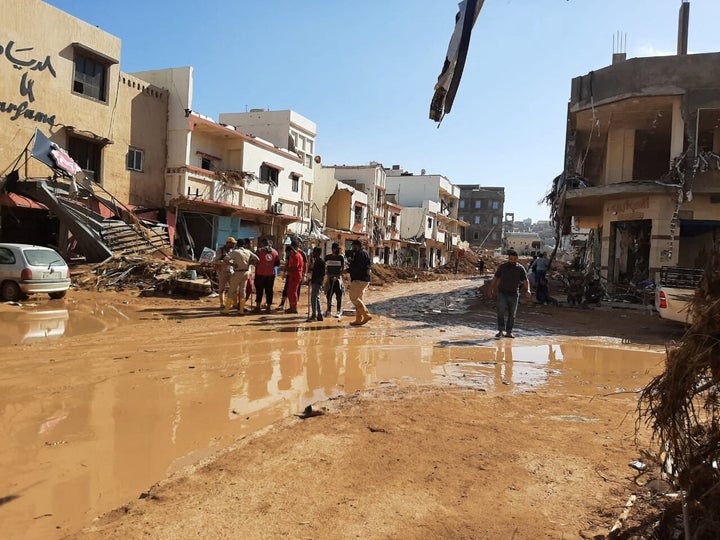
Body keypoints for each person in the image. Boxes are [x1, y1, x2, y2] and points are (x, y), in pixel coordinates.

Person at [488, 249, 532, 338]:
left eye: (514, 259)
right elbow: (496, 278)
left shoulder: (520, 268)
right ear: (508, 258)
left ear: (517, 259)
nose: (512, 261)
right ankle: (500, 330)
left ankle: (509, 332)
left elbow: (525, 280)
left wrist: (528, 290)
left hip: (514, 294)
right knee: (500, 311)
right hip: (502, 293)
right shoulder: (503, 267)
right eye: (511, 259)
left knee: (512, 314)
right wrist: (491, 288)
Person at [223, 239, 259, 315]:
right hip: (246, 272)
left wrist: (232, 264)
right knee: (243, 291)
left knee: (232, 290)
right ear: (244, 245)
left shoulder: (235, 252)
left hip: (237, 272)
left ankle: (226, 310)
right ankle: (241, 310)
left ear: (237, 244)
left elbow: (225, 259)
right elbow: (257, 259)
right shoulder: (248, 251)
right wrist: (250, 263)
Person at [345, 239, 372, 326]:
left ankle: (366, 314)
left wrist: (347, 270)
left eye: (353, 246)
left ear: (356, 246)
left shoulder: (360, 254)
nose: (352, 248)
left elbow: (358, 267)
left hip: (359, 279)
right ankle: (358, 319)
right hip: (364, 279)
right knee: (359, 299)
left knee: (353, 298)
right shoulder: (363, 253)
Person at [254, 238, 280, 312]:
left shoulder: (259, 251)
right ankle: (268, 307)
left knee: (259, 290)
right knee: (269, 290)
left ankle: (258, 306)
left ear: (262, 243)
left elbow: (254, 260)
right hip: (270, 274)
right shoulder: (275, 252)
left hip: (260, 273)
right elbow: (277, 263)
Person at [213, 236, 236, 310]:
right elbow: (216, 261)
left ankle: (234, 303)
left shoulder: (232, 251)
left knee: (233, 288)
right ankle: (222, 303)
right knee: (222, 288)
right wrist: (225, 262)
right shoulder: (220, 250)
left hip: (231, 271)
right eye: (232, 243)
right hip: (222, 272)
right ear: (228, 243)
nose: (233, 245)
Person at [324, 242, 346, 318]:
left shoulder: (341, 257)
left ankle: (338, 311)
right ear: (333, 249)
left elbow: (342, 269)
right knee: (328, 295)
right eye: (336, 249)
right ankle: (329, 310)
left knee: (339, 295)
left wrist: (337, 276)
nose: (337, 250)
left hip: (338, 279)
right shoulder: (327, 257)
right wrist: (328, 275)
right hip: (330, 279)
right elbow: (325, 268)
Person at [284, 243, 304, 314]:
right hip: (292, 275)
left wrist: (286, 269)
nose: (288, 255)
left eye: (288, 253)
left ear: (291, 251)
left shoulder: (296, 256)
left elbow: (294, 267)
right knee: (290, 291)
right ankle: (291, 306)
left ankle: (294, 308)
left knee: (293, 292)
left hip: (295, 276)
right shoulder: (293, 256)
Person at [307, 246, 326, 322]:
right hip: (316, 281)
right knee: (316, 298)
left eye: (314, 252)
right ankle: (319, 314)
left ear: (318, 253)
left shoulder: (320, 262)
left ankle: (314, 314)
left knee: (313, 298)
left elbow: (322, 273)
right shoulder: (317, 261)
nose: (313, 254)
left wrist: (315, 280)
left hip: (317, 282)